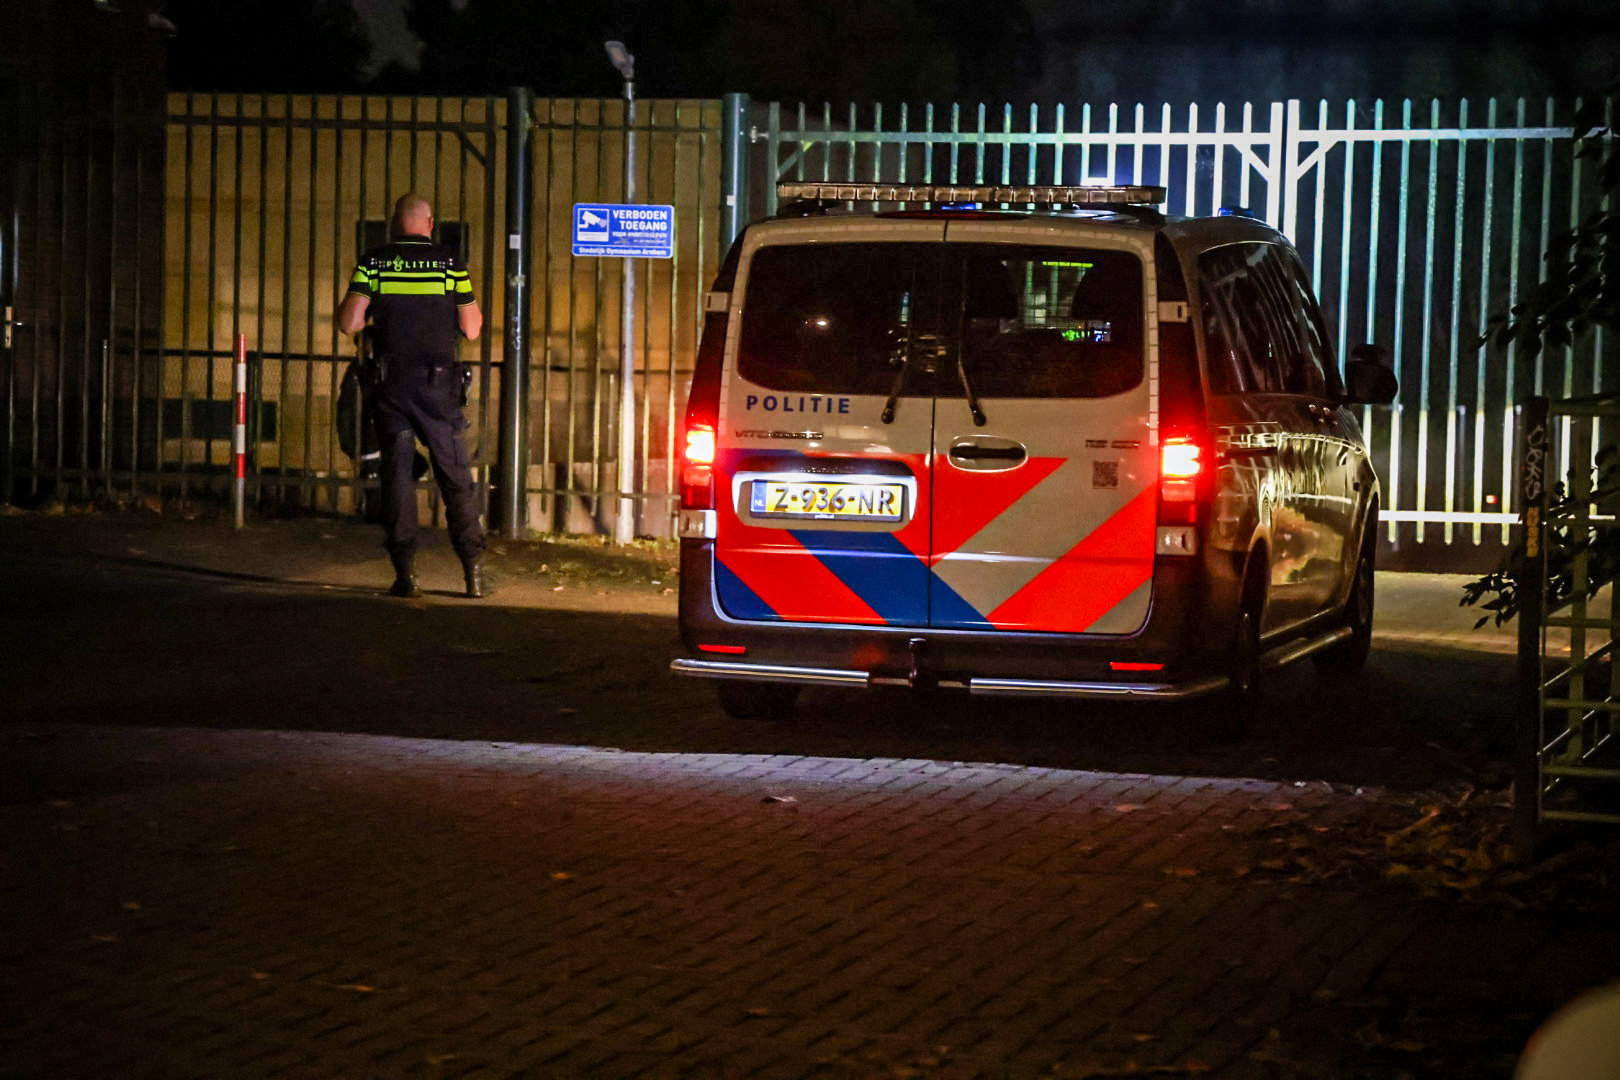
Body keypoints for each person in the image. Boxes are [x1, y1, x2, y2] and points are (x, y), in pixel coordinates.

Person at [338, 193, 488, 599]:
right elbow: (472, 329)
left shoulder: (375, 262)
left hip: (392, 387)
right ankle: (472, 572)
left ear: (394, 224)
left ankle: (405, 574)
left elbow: (349, 323)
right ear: (430, 223)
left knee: (398, 476)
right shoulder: (449, 264)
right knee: (455, 475)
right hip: (438, 387)